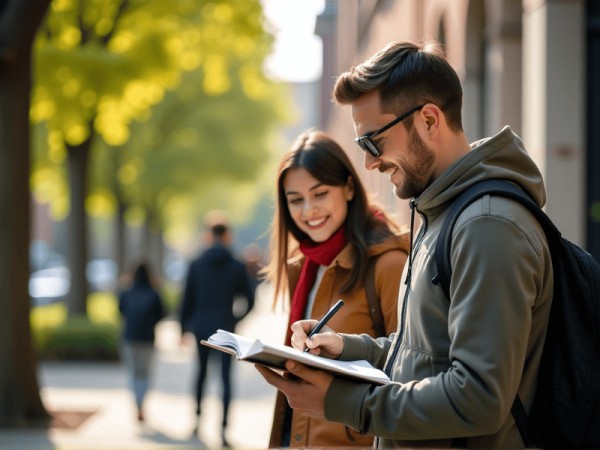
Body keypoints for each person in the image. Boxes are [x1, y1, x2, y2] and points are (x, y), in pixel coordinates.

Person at [256, 40, 553, 449]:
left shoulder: (486, 225)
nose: (370, 163)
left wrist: (340, 401)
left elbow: (479, 398)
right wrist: (348, 346)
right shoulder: (443, 215)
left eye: (372, 142)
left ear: (429, 120)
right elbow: (424, 354)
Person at [263, 130, 409, 448]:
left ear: (348, 187)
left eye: (320, 193)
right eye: (296, 200)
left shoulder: (389, 264)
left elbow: (410, 376)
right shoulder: (302, 266)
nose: (308, 210)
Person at [178, 212, 255, 446]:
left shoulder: (196, 264)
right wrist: (235, 319)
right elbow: (251, 299)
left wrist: (183, 328)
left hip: (201, 328)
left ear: (209, 236)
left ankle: (197, 422)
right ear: (228, 235)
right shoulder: (237, 265)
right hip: (225, 329)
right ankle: (223, 430)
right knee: (225, 379)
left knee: (200, 375)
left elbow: (186, 300)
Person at [118, 261, 166, 423]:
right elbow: (161, 314)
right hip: (147, 339)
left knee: (133, 374)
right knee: (144, 374)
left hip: (130, 338)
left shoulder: (126, 292)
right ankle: (141, 404)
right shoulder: (153, 293)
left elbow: (120, 310)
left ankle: (137, 404)